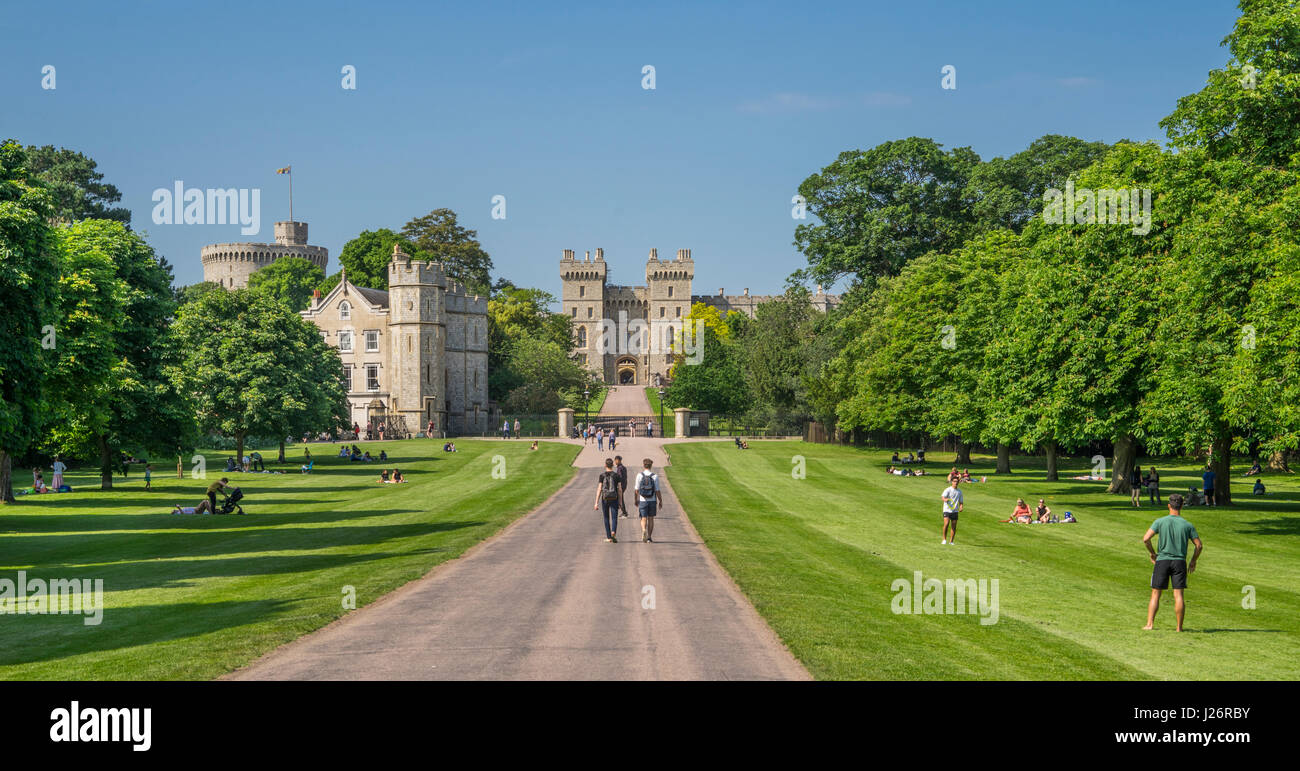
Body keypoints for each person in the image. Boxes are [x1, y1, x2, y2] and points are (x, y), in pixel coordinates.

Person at [1143, 493, 1203, 632]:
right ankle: (1179, 627)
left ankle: (1150, 624)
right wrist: (1193, 561)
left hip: (1162, 561)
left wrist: (1152, 553)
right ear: (1181, 506)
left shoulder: (1160, 521)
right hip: (1179, 562)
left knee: (1156, 593)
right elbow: (1199, 545)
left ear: (1169, 506)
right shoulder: (1187, 525)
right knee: (1178, 595)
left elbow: (1146, 539)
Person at [594, 458, 623, 543]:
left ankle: (609, 537)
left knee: (606, 517)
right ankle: (613, 531)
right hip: (614, 498)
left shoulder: (602, 476)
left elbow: (599, 489)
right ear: (613, 465)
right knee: (614, 517)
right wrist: (620, 502)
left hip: (605, 498)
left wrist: (596, 502)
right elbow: (620, 489)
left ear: (605, 465)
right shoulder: (616, 476)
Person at [634, 457, 662, 542]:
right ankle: (649, 537)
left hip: (643, 500)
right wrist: (660, 500)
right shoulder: (655, 476)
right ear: (651, 466)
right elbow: (657, 490)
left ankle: (643, 530)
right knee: (651, 519)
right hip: (652, 500)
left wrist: (636, 499)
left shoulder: (639, 475)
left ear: (644, 465)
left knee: (643, 518)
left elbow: (636, 490)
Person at [941, 478, 963, 544]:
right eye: (954, 481)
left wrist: (961, 507)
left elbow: (961, 501)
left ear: (958, 482)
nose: (955, 482)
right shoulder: (948, 489)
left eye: (957, 481)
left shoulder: (959, 491)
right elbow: (943, 497)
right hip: (947, 510)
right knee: (946, 524)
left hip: (955, 511)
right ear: (952, 482)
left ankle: (951, 541)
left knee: (954, 526)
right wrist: (945, 499)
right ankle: (944, 539)